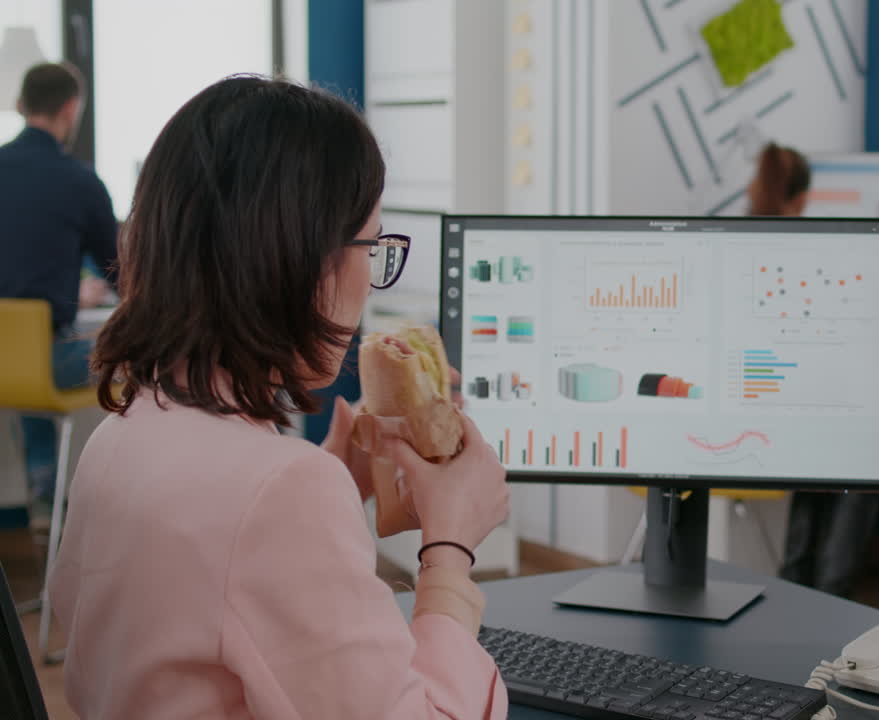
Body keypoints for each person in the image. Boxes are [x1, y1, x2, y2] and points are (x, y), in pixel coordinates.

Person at [48, 76, 510, 719]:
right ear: (297, 258)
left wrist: (338, 490)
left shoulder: (119, 435)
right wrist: (450, 549)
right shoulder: (281, 488)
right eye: (373, 246)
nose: (372, 279)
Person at [745, 141, 879, 598]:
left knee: (828, 438)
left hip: (762, 409)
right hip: (773, 420)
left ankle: (799, 582)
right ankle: (832, 590)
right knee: (870, 443)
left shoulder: (736, 242)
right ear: (801, 199)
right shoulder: (808, 251)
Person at [0, 62, 118, 511]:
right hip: (44, 358)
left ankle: (44, 502)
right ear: (71, 108)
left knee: (36, 352)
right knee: (144, 358)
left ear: (20, 105)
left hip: (7, 359)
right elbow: (120, 274)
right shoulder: (80, 181)